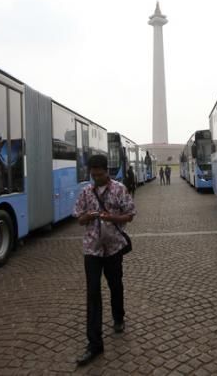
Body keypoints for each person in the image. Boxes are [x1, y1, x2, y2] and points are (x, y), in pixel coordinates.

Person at [73, 154, 136, 366]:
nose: (96, 178)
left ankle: (118, 316)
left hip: (113, 248)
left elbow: (130, 215)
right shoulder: (85, 192)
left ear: (106, 171)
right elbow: (79, 218)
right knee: (92, 293)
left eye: (99, 174)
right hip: (91, 249)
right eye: (93, 174)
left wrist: (113, 218)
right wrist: (89, 216)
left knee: (115, 284)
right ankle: (94, 344)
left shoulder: (119, 189)